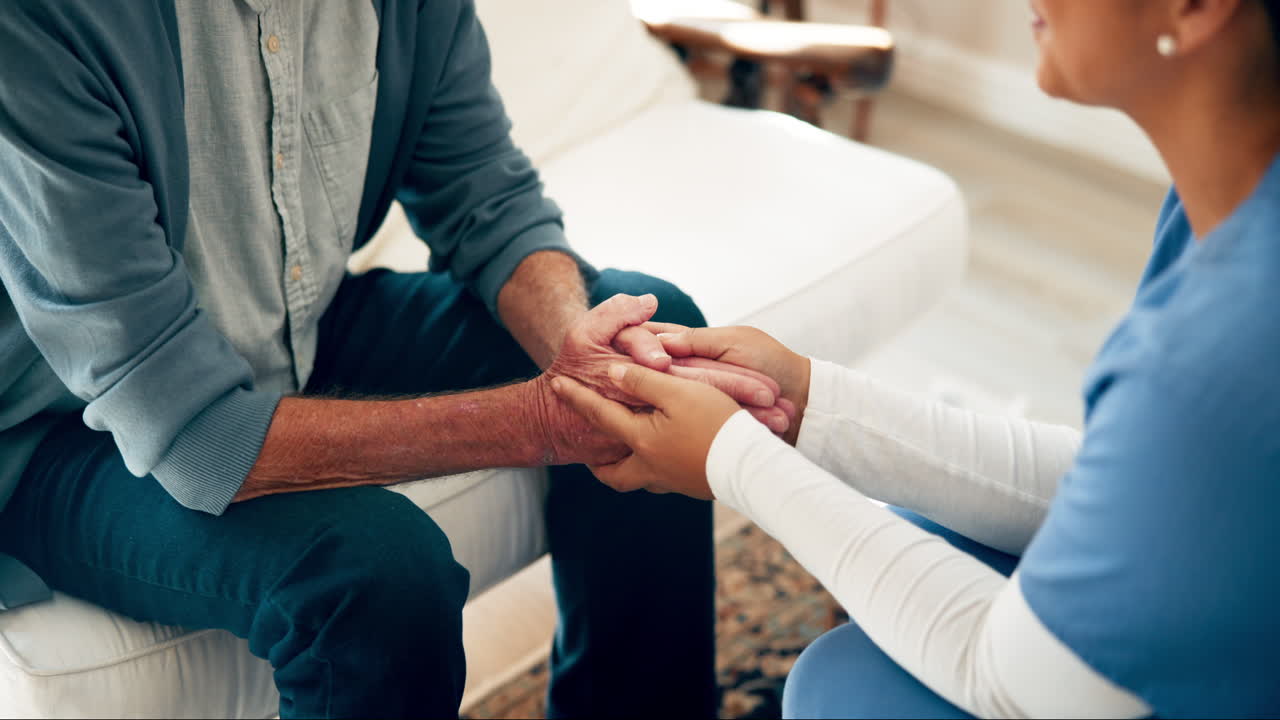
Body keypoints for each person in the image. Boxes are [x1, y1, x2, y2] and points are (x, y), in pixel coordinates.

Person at [0, 1, 796, 717]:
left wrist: (591, 361)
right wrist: (546, 422)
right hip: (63, 429)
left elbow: (484, 197)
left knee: (655, 350)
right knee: (375, 573)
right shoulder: (42, 24)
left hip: (296, 325)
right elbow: (188, 427)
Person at [551, 0, 1280, 716]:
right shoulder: (1221, 213)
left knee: (844, 690)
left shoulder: (1218, 349)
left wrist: (731, 461)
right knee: (931, 535)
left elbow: (1009, 684)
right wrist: (808, 401)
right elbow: (1131, 484)